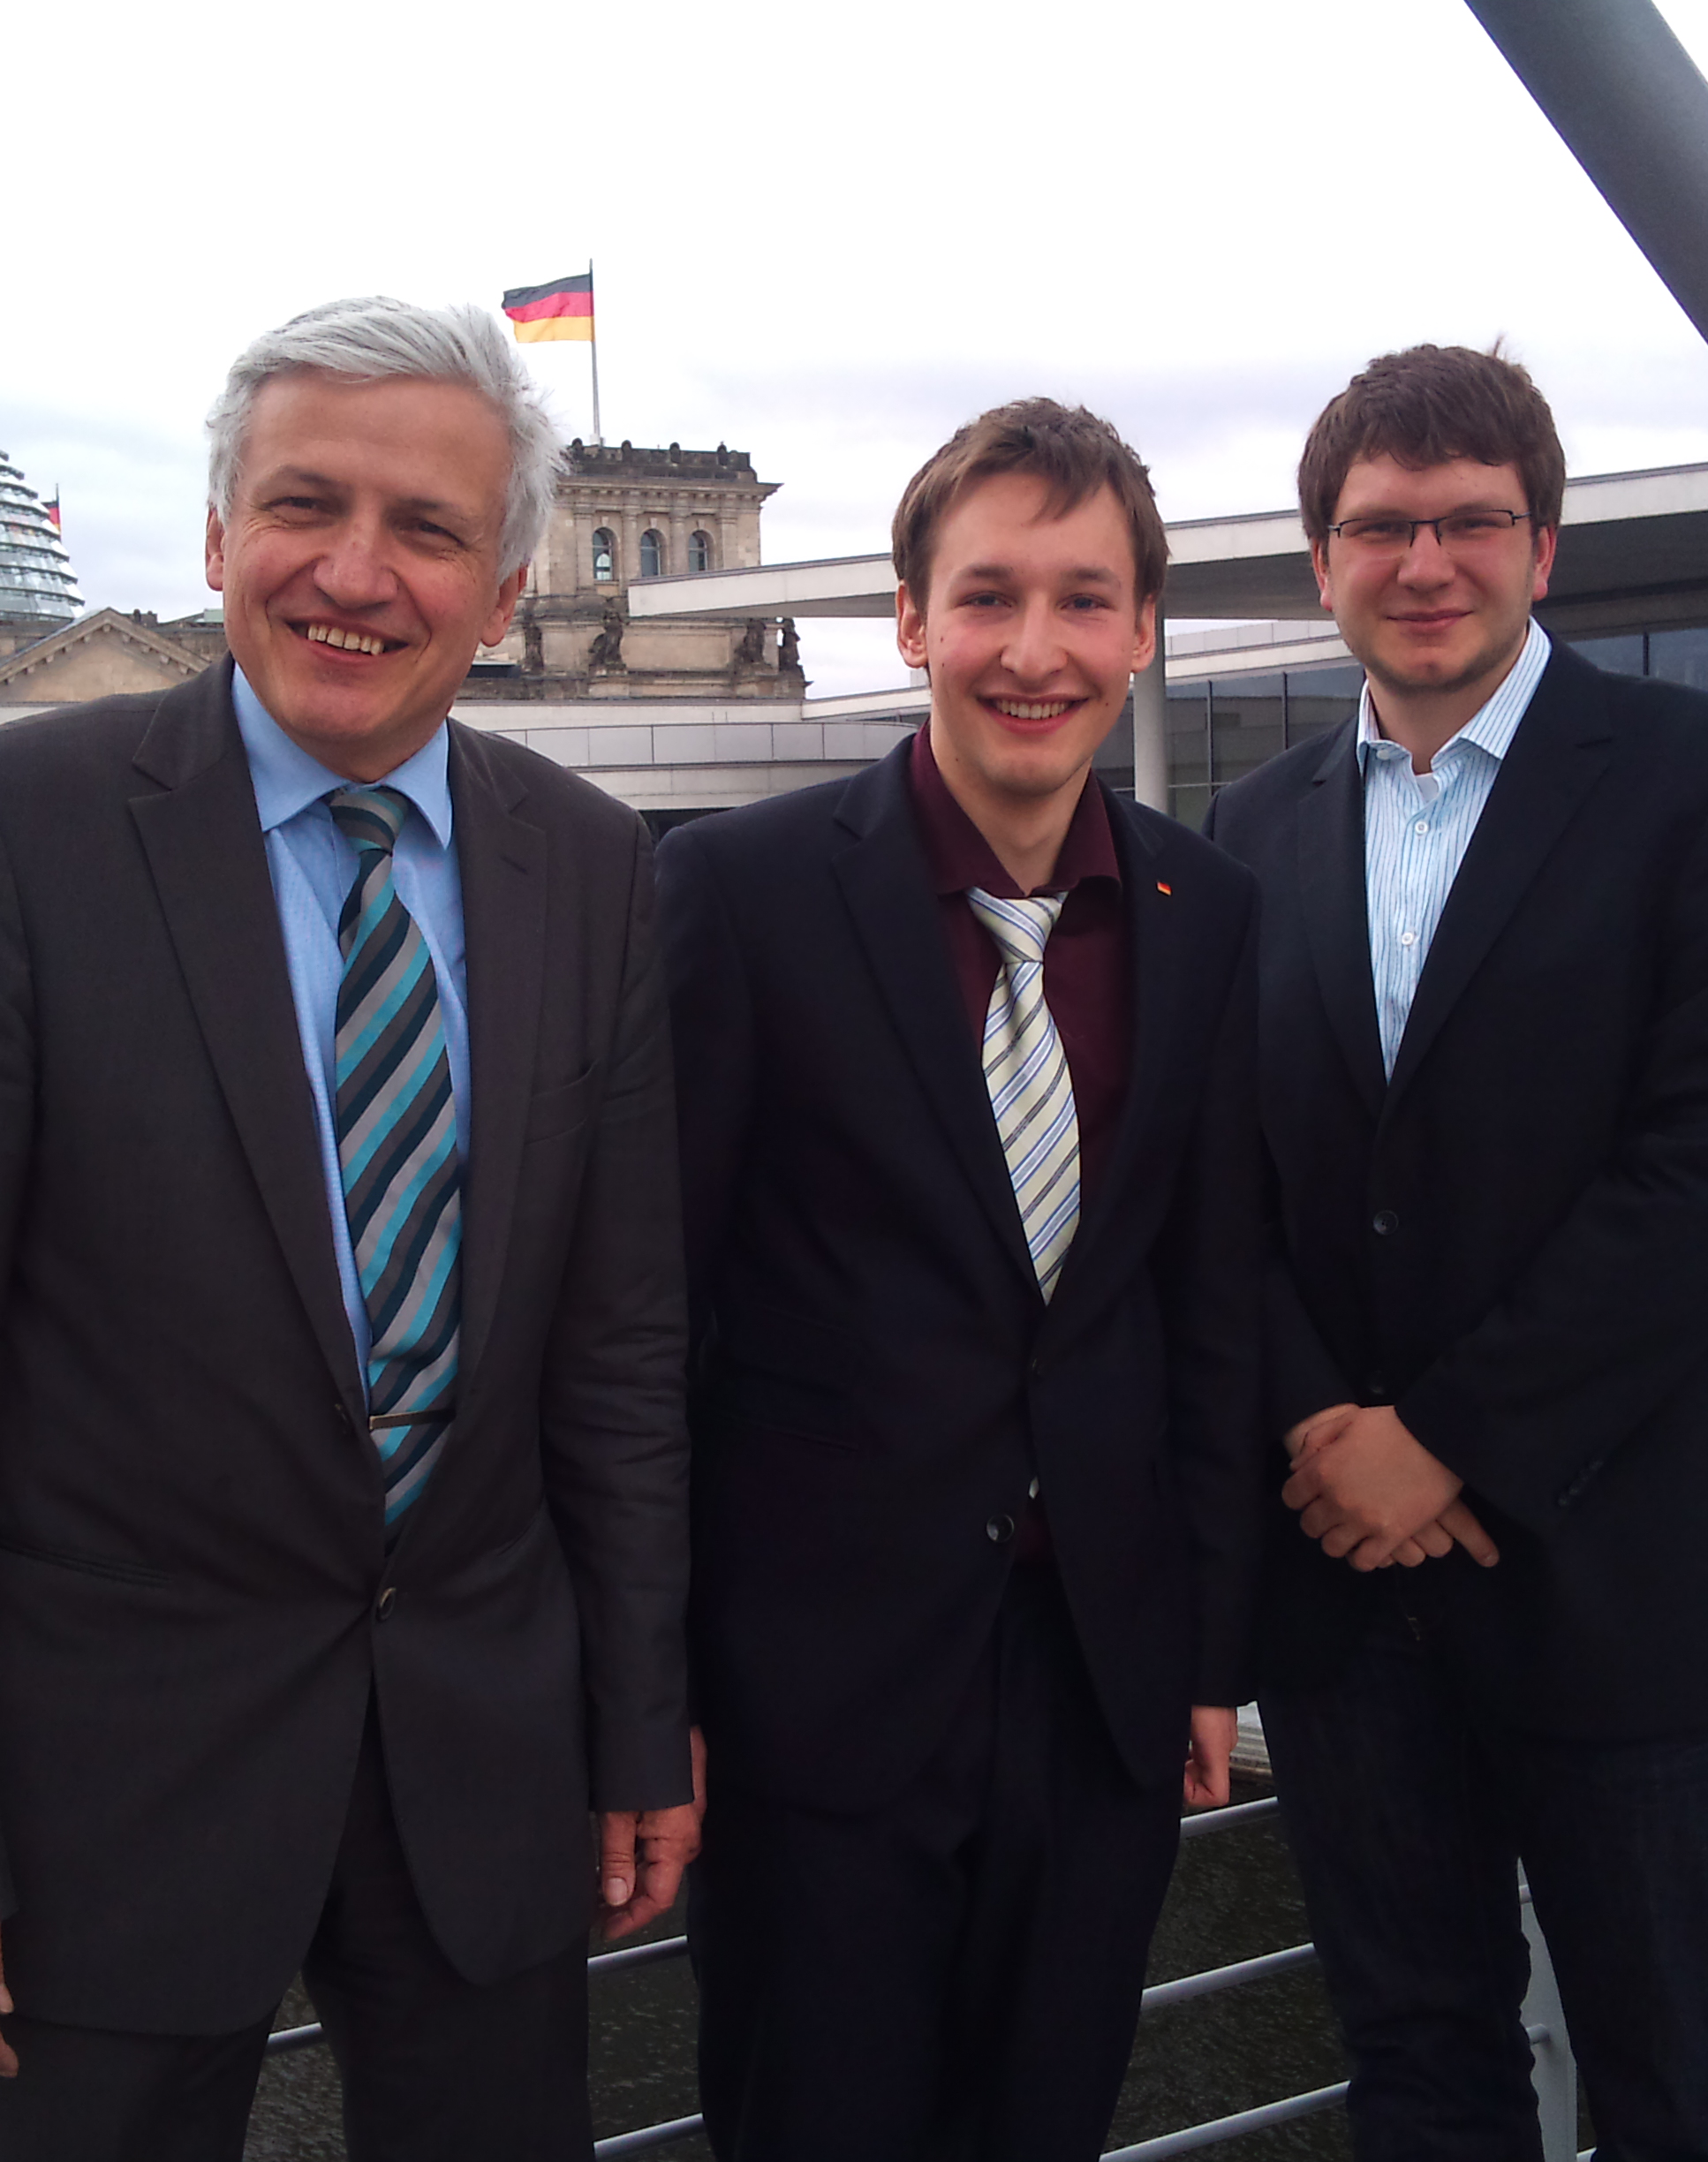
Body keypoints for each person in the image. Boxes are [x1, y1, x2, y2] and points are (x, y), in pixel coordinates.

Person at [0, 296, 699, 2162]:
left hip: (482, 1774)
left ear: (505, 585)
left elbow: (615, 1355)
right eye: (306, 505)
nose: (354, 572)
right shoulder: (11, 830)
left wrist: (634, 1725)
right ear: (217, 540)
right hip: (103, 1813)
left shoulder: (593, 866)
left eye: (428, 530)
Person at [1204, 343, 1708, 2162]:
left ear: (1543, 548)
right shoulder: (1252, 834)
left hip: (1640, 1575)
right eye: (1381, 526)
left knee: (1686, 2086)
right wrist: (1328, 1435)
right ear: (1321, 561)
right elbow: (1218, 1189)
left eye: (1473, 521)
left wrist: (1449, 1440)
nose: (1428, 563)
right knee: (1418, 2067)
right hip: (1355, 1600)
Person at [661, 400, 1269, 2160]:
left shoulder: (1201, 910)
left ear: (1142, 632)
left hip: (1099, 1688)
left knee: (1046, 2120)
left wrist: (1208, 1658)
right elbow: (654, 1322)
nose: (1032, 650)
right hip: (812, 1697)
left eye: (1084, 601)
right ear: (911, 621)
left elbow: (1209, 1309)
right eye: (987, 596)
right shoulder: (738, 896)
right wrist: (657, 1693)